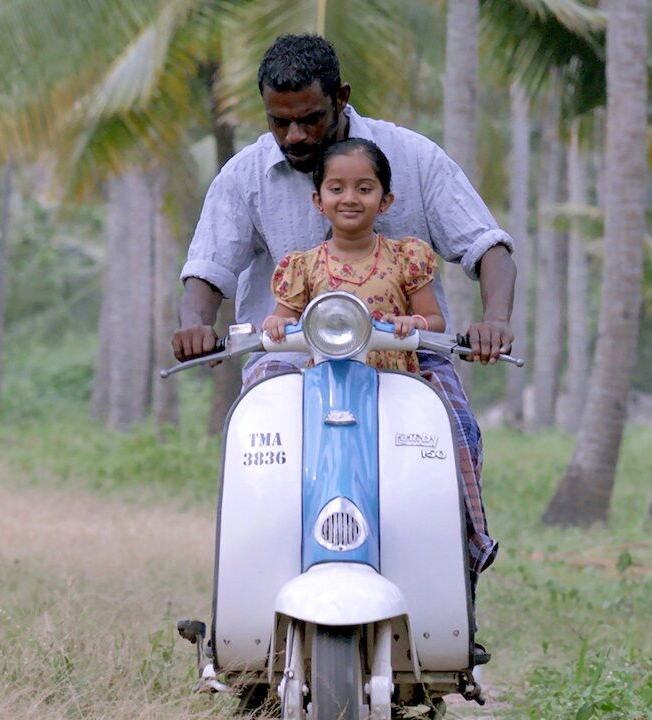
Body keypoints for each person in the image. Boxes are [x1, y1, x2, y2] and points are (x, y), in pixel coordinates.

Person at [173, 34, 515, 581]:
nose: (294, 135)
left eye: (310, 119)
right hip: (287, 360)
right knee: (253, 455)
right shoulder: (244, 175)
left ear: (341, 98)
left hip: (405, 357)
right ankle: (250, 580)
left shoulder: (413, 157)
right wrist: (195, 324)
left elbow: (488, 248)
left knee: (456, 434)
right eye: (279, 122)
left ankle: (459, 563)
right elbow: (208, 269)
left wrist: (494, 321)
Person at [262, 138, 444, 374]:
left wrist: (414, 323)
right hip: (326, 382)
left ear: (385, 201)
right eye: (336, 189)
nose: (349, 198)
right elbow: (280, 322)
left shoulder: (405, 258)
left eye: (364, 189)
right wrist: (276, 325)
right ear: (319, 201)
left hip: (394, 383)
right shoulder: (304, 266)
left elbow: (435, 321)